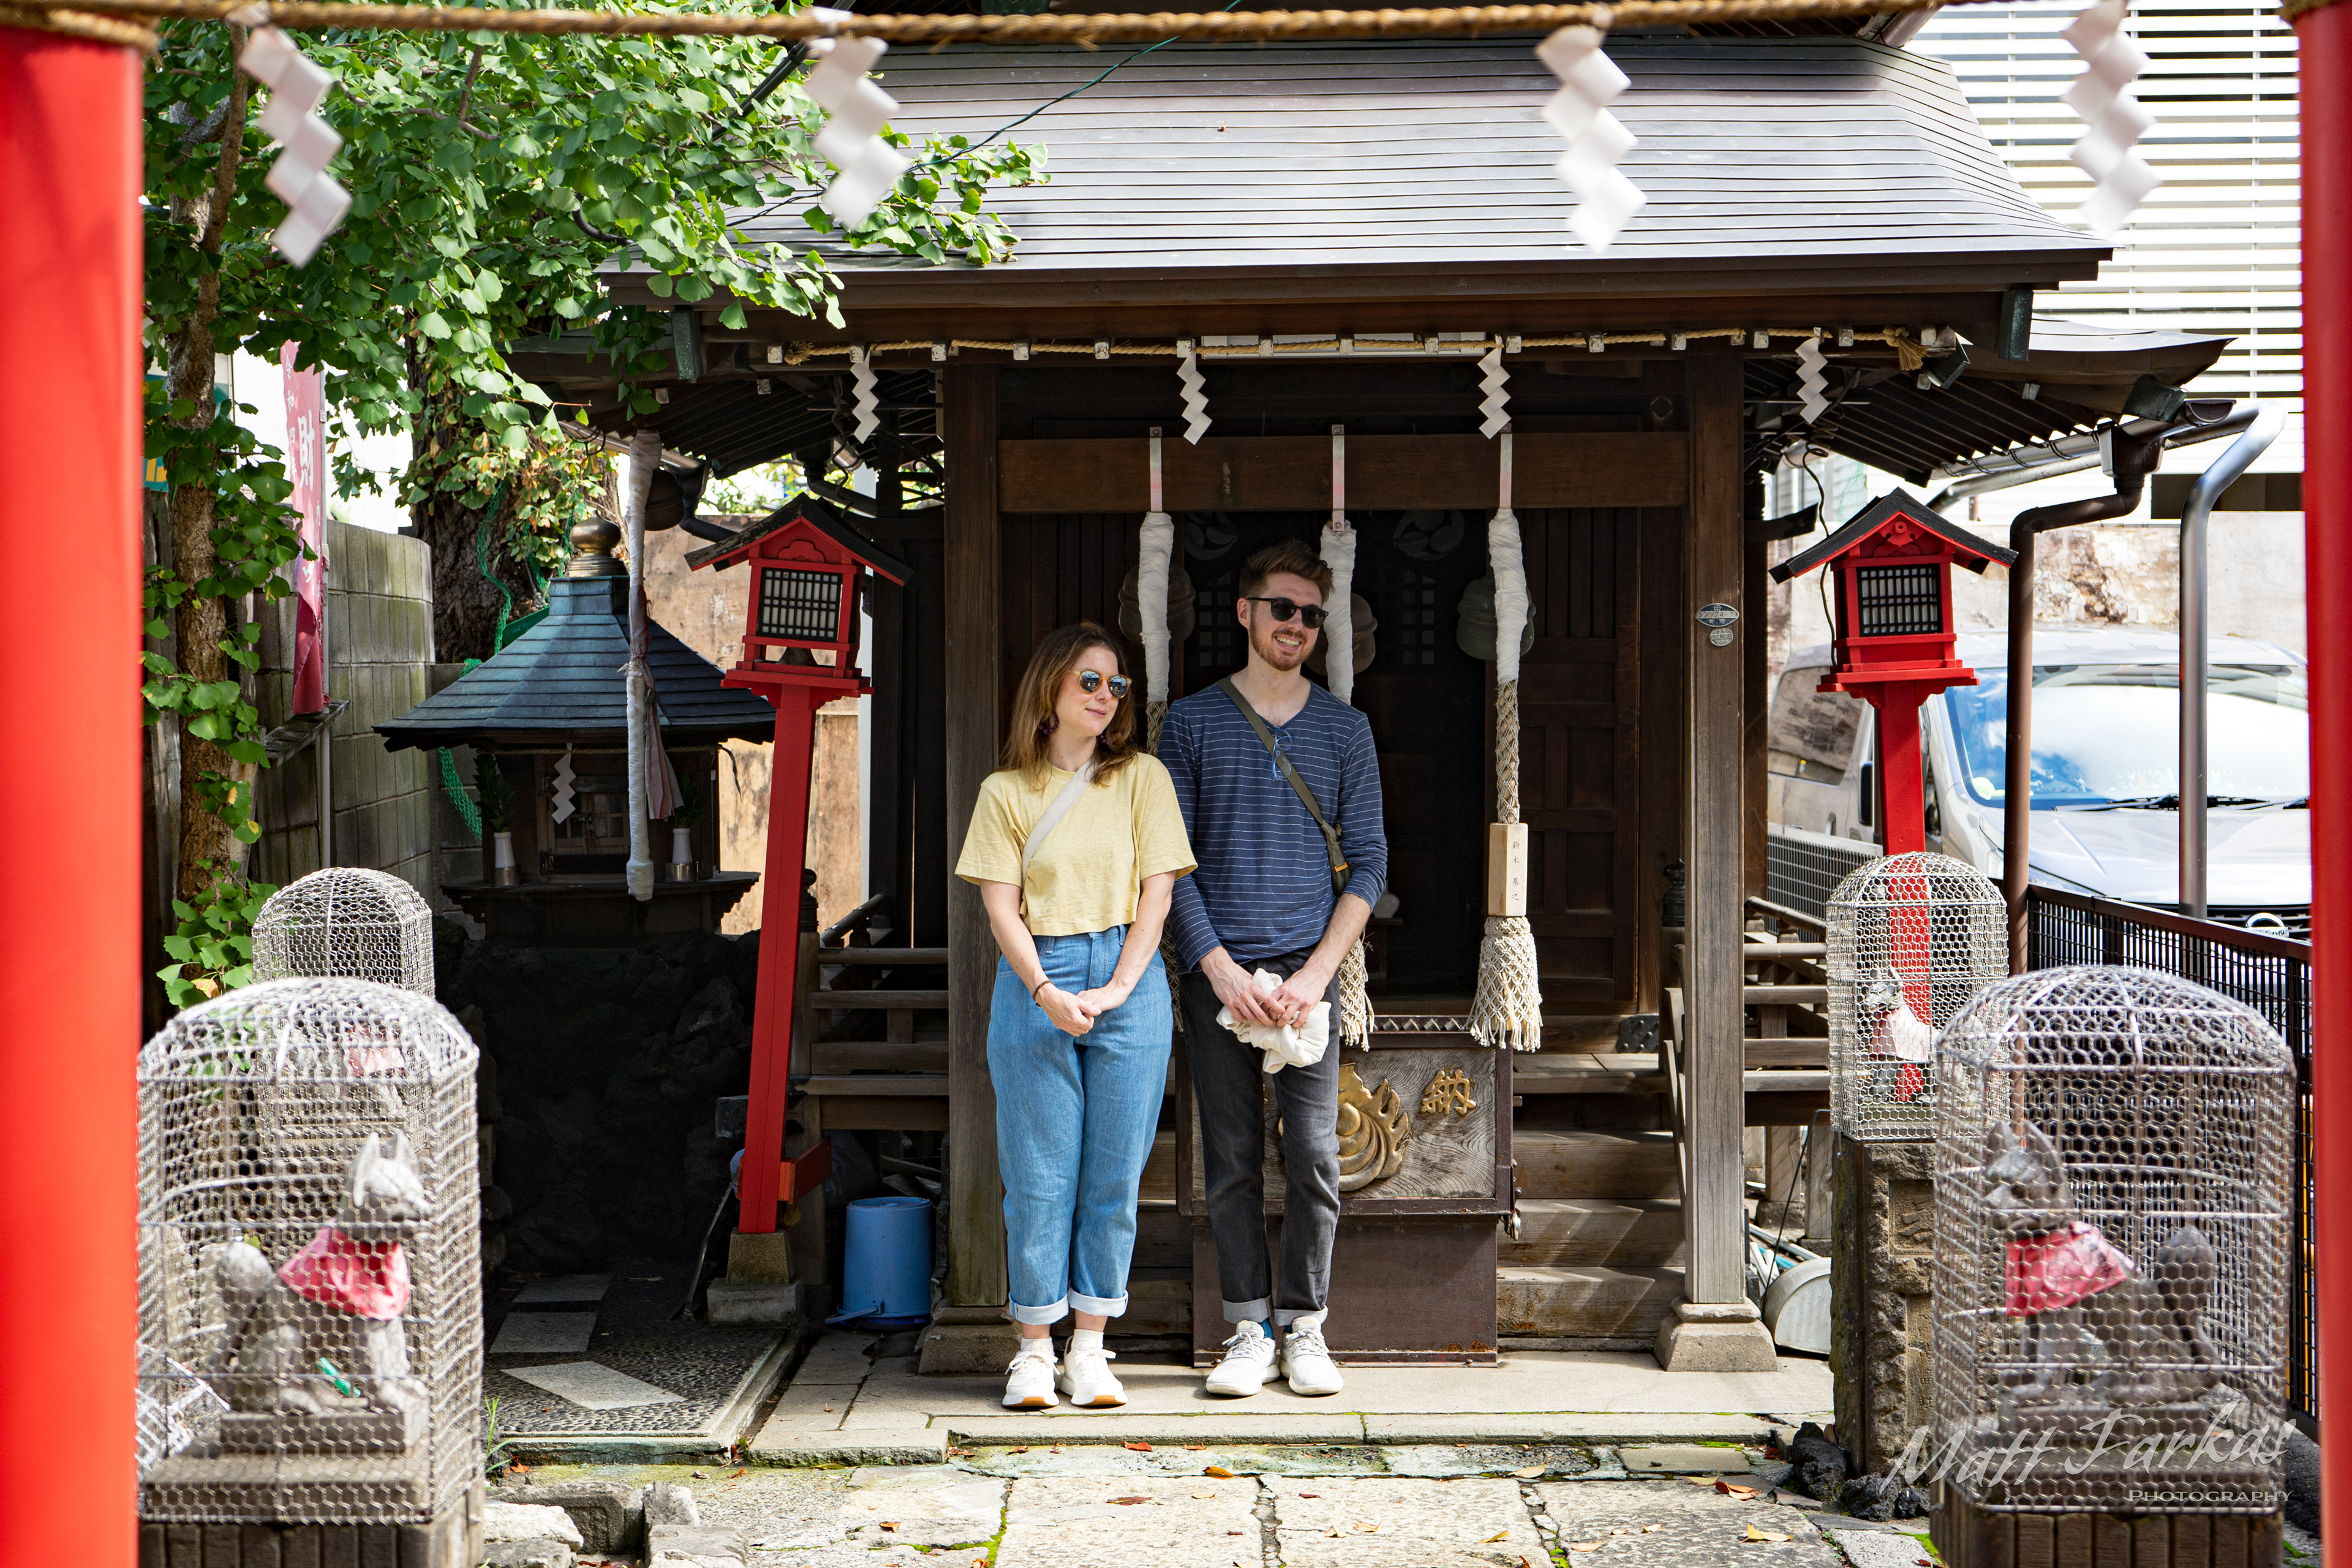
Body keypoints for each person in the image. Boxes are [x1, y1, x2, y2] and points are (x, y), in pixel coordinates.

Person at [1159, 537, 1388, 1398]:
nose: (1296, 625)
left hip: (1306, 971)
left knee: (1317, 1156)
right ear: (1245, 613)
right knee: (1228, 1155)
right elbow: (1169, 861)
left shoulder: (1346, 729)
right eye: (1282, 608)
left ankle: (1306, 1325)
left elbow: (1369, 863)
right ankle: (1248, 1328)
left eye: (1311, 615)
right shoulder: (1191, 722)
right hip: (1215, 968)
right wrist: (1217, 968)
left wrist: (1318, 974)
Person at [954, 622, 1196, 1411]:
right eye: (1089, 681)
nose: (1105, 696)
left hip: (1131, 979)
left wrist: (1121, 986)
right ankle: (1033, 1349)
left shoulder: (1142, 779)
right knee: (1038, 1176)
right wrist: (1043, 990)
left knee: (1113, 1176)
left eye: (1116, 685)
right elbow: (1002, 909)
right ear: (1051, 688)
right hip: (1039, 976)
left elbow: (1158, 892)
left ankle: (1088, 1348)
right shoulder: (1005, 792)